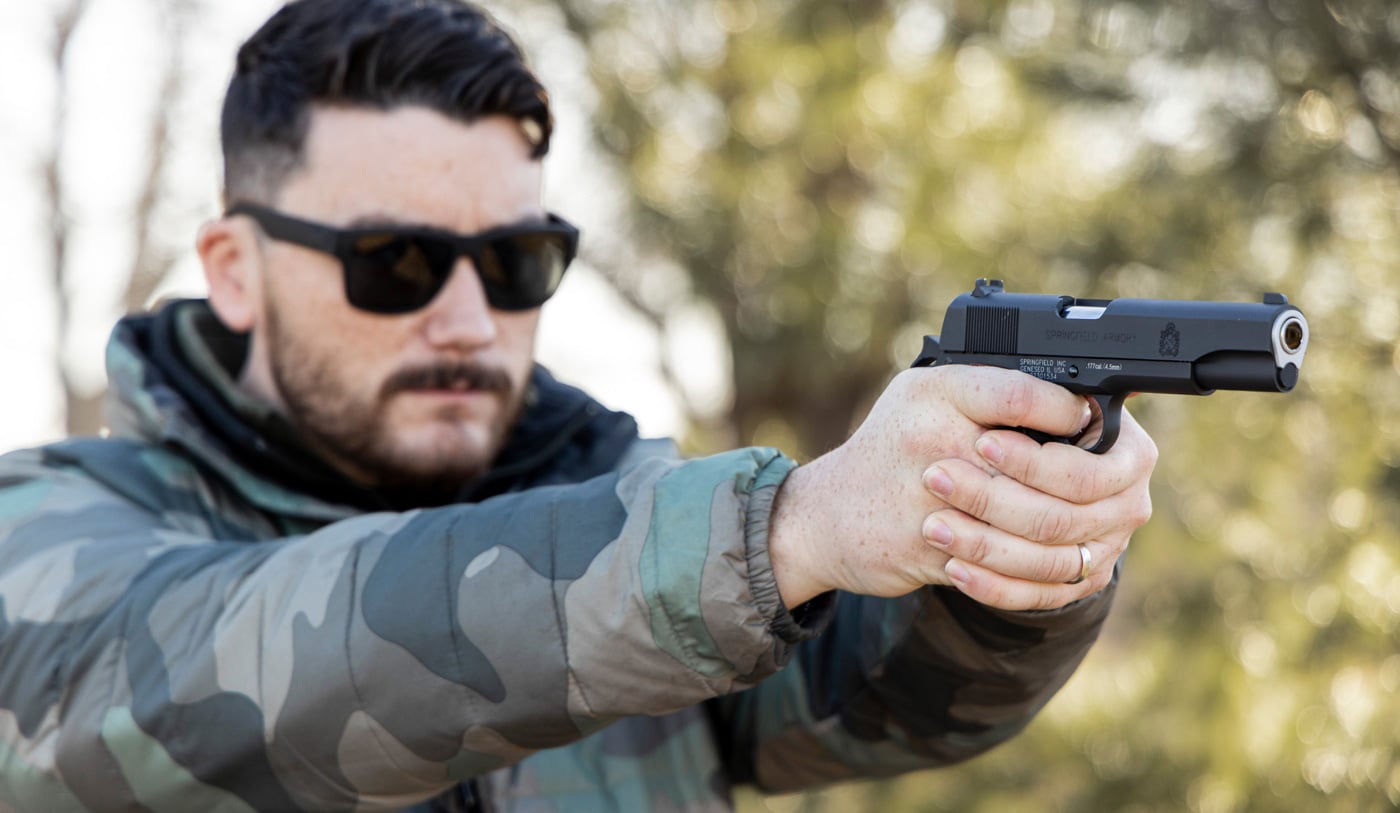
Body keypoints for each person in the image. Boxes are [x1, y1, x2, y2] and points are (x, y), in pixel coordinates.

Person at [0, 0, 1157, 810]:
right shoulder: (48, 542)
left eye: (513, 262)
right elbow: (232, 674)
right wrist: (783, 528)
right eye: (394, 263)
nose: (464, 317)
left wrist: (1013, 549)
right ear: (233, 269)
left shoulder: (611, 502)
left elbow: (878, 707)